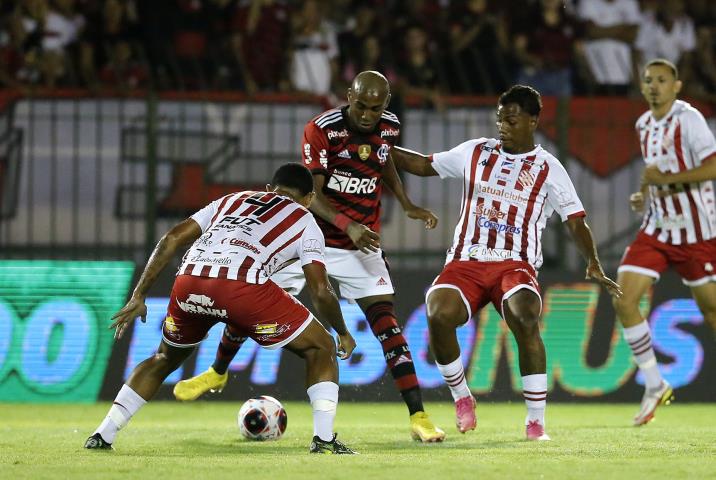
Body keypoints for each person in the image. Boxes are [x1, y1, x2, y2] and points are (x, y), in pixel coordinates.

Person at [173, 70, 446, 443]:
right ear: (349, 96)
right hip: (308, 239)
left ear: (386, 105)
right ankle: (218, 370)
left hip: (359, 244)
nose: (368, 115)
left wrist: (407, 203)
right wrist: (347, 223)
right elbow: (312, 195)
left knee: (388, 327)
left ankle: (419, 416)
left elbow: (385, 162)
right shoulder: (321, 129)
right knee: (251, 303)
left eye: (376, 108)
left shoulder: (390, 126)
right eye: (361, 105)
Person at [390, 85, 622, 440]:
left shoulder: (549, 167)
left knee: (525, 317)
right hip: (466, 261)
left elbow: (575, 219)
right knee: (438, 313)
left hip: (515, 265)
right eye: (500, 118)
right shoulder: (476, 152)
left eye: (511, 120)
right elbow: (423, 164)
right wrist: (380, 148)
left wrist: (592, 261)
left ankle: (535, 422)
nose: (503, 125)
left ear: (532, 121)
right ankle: (462, 397)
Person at [85, 163, 358, 454]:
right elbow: (320, 290)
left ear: (269, 189)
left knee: (164, 357)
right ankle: (324, 440)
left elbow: (171, 239)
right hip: (241, 287)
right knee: (321, 347)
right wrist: (342, 331)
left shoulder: (232, 199)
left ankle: (103, 434)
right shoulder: (306, 220)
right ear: (308, 199)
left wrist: (139, 294)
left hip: (188, 281)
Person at [614, 58, 716, 426]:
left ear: (676, 86)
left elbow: (713, 166)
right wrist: (643, 194)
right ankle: (654, 382)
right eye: (647, 80)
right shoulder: (643, 125)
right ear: (641, 87)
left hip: (697, 233)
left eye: (661, 80)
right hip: (657, 228)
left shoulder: (689, 120)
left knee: (711, 312)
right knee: (623, 298)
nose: (654, 86)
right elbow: (653, 172)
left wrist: (667, 182)